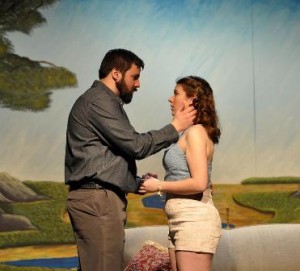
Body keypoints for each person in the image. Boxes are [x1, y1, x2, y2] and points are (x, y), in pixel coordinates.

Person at [64, 49, 196, 271]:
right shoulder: (98, 101)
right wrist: (175, 127)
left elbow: (103, 158)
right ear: (116, 73)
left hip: (100, 199)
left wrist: (133, 182)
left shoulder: (105, 102)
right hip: (98, 202)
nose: (138, 84)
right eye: (134, 76)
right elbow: (136, 145)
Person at [139, 75, 222, 271]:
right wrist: (162, 180)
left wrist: (158, 186)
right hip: (180, 221)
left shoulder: (196, 133)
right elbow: (184, 175)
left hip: (194, 220)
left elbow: (199, 183)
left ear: (192, 99)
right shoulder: (189, 132)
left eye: (176, 93)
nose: (170, 98)